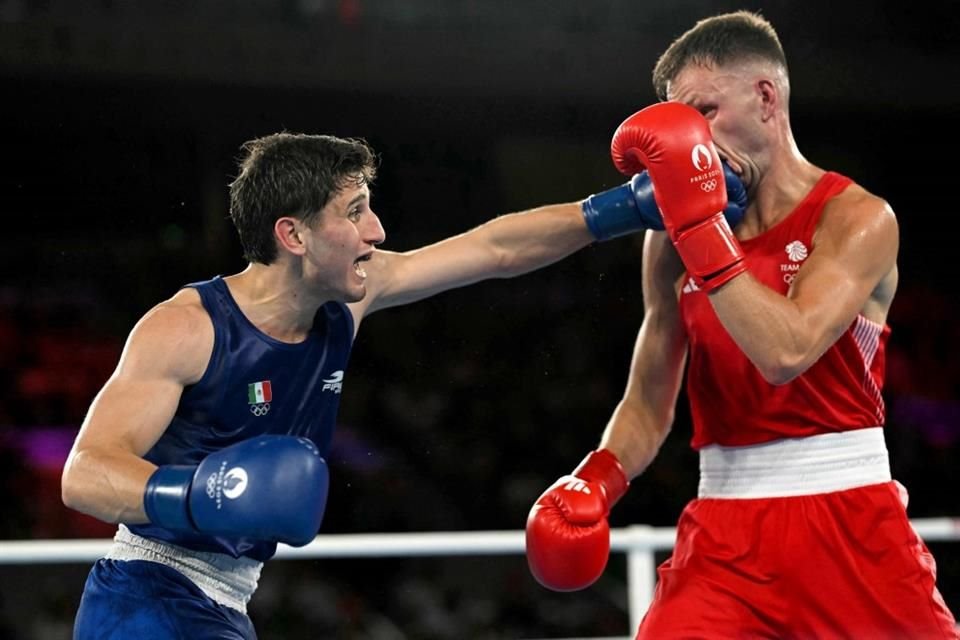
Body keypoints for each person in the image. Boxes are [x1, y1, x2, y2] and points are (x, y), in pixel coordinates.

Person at [60, 131, 747, 638]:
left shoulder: (350, 298)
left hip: (225, 602)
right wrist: (200, 491)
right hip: (145, 593)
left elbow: (494, 249)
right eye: (355, 211)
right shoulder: (187, 328)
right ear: (293, 235)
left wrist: (623, 208)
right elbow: (84, 473)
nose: (376, 230)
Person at [525, 10, 959, 639]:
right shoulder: (671, 241)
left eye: (702, 113)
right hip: (724, 535)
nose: (691, 141)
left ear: (765, 97)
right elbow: (649, 401)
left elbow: (787, 350)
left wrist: (701, 233)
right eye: (679, 122)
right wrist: (596, 477)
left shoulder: (857, 218)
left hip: (852, 528)